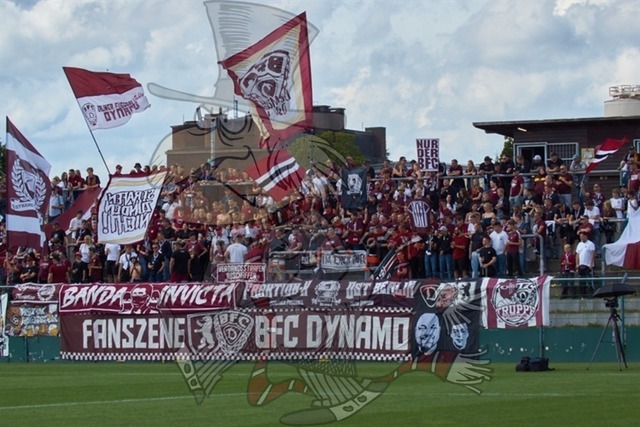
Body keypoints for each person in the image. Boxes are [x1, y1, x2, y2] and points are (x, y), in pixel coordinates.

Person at [575, 231, 595, 297]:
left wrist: (591, 264)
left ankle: (590, 293)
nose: (581, 238)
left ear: (586, 236)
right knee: (581, 280)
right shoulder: (579, 244)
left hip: (588, 265)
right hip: (581, 264)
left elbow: (592, 254)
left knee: (589, 280)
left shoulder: (590, 244)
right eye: (580, 236)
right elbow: (577, 254)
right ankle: (582, 294)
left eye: (582, 236)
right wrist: (577, 264)